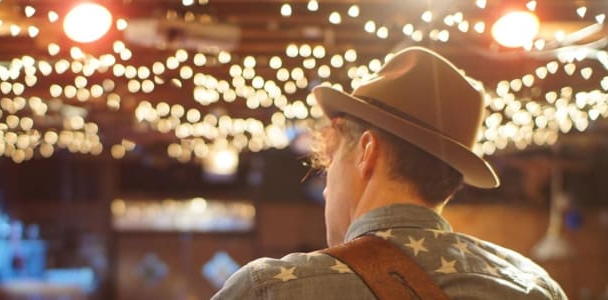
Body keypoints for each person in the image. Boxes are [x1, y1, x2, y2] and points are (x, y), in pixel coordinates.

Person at [212, 47, 567, 299]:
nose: (324, 190)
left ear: (366, 151)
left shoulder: (271, 289)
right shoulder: (532, 287)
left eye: (331, 160)